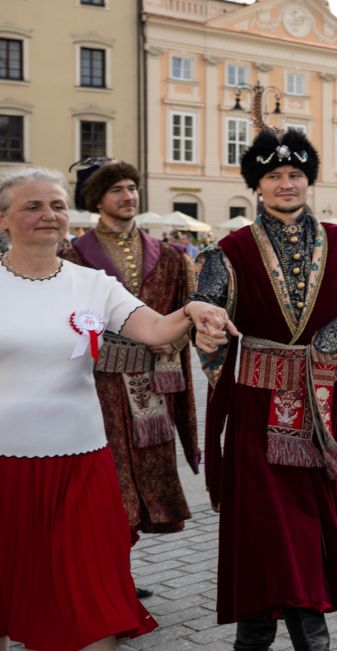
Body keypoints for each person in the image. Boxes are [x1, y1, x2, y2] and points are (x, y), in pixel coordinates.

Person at [188, 95, 337, 648]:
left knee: (309, 521)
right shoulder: (229, 250)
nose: (285, 184)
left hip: (322, 409)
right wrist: (208, 325)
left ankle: (275, 633)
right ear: (257, 187)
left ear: (308, 181)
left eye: (295, 174)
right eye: (274, 176)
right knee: (263, 520)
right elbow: (207, 304)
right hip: (255, 407)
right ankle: (297, 636)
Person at [0, 167, 233, 651]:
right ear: (3, 219)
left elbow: (153, 329)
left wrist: (191, 311)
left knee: (94, 595)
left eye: (58, 205)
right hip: (6, 465)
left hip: (83, 462)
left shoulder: (93, 284)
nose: (49, 215)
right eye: (32, 206)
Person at [60, 160, 200, 543]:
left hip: (154, 386)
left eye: (132, 187)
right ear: (96, 200)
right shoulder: (72, 258)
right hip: (98, 389)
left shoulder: (171, 256)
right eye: (116, 190)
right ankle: (111, 572)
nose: (128, 196)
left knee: (144, 482)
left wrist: (173, 338)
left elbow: (193, 308)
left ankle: (124, 572)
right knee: (105, 479)